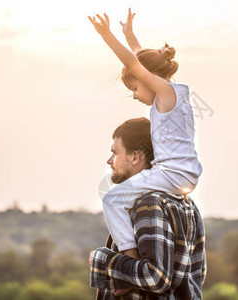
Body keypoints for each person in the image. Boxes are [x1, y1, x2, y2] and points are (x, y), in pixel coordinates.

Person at [87, 9, 203, 264]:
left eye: (135, 87)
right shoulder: (175, 93)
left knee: (113, 199)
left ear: (150, 80)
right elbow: (144, 61)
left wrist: (107, 36)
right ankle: (134, 247)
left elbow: (135, 64)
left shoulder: (164, 93)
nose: (135, 95)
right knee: (123, 198)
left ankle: (131, 259)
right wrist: (130, 34)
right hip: (183, 172)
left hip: (172, 173)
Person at [89, 117, 207, 299]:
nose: (109, 160)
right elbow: (198, 273)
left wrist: (102, 260)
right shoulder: (187, 204)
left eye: (115, 153)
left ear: (135, 157)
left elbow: (155, 278)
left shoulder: (148, 204)